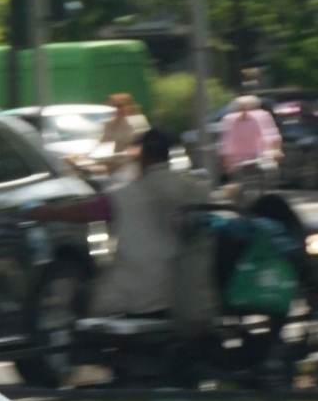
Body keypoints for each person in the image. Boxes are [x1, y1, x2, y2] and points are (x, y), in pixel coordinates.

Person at [98, 128, 210, 319]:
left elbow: (89, 210)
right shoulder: (195, 189)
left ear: (143, 157)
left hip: (141, 302)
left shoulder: (126, 194)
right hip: (191, 299)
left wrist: (44, 212)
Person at [218, 93, 282, 199]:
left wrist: (274, 150)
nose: (245, 111)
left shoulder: (260, 116)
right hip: (247, 160)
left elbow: (270, 136)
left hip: (253, 159)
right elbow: (226, 144)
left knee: (264, 178)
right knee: (250, 184)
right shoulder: (231, 119)